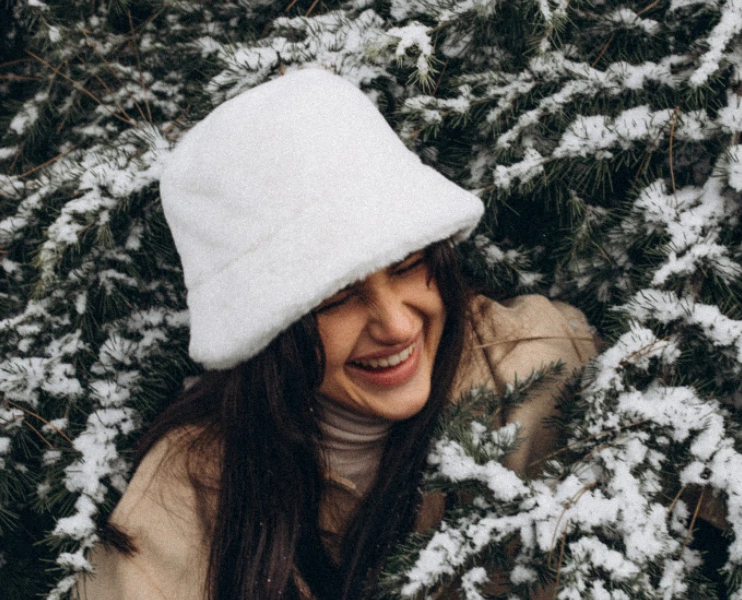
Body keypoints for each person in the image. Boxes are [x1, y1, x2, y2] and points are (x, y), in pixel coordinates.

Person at [76, 68, 597, 600]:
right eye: (336, 301)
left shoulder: (530, 365)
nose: (396, 325)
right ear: (266, 334)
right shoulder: (193, 488)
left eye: (408, 264)